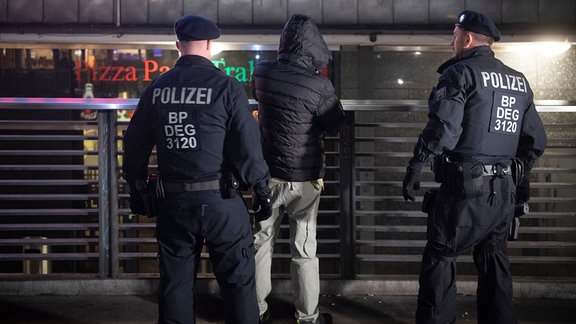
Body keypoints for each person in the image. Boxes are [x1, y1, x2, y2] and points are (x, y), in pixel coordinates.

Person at [122, 14, 272, 324]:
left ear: (178, 45)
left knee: (175, 286)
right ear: (208, 45)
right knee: (238, 285)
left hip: (174, 204)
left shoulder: (157, 88)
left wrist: (136, 188)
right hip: (221, 201)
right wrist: (261, 188)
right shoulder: (226, 86)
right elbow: (247, 144)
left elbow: (134, 143)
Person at [402, 10, 547, 324]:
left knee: (440, 261)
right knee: (495, 266)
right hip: (503, 198)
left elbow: (443, 130)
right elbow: (535, 140)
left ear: (466, 38)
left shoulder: (459, 74)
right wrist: (518, 181)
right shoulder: (518, 81)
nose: (451, 40)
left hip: (464, 195)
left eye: (454, 34)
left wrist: (415, 167)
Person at [251, 13, 346, 324]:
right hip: (305, 179)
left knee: (261, 243)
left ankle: (256, 311)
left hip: (267, 177)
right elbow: (334, 123)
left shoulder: (262, 73)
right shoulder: (319, 84)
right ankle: (307, 316)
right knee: (304, 249)